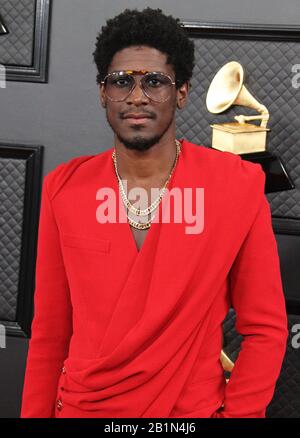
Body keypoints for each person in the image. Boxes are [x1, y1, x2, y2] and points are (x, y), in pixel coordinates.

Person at [20, 7, 288, 418]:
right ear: (102, 92)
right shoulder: (65, 187)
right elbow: (50, 334)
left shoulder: (236, 186)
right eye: (121, 81)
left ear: (181, 92)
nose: (137, 96)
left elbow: (265, 329)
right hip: (84, 409)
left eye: (155, 82)